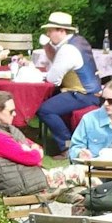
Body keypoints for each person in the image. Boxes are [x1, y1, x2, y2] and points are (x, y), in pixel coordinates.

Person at [36, 11, 101, 156]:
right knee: (52, 99)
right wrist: (48, 46)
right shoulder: (77, 41)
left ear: (61, 31)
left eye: (50, 30)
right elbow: (57, 63)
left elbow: (53, 79)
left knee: (45, 110)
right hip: (90, 91)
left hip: (83, 94)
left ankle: (68, 146)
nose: (48, 33)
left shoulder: (68, 49)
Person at [0, 91, 47, 197]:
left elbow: (34, 146)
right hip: (20, 186)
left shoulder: (6, 129)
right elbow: (32, 157)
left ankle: (78, 210)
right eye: (11, 111)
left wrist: (32, 149)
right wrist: (34, 152)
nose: (15, 114)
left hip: (28, 179)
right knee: (78, 174)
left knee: (76, 189)